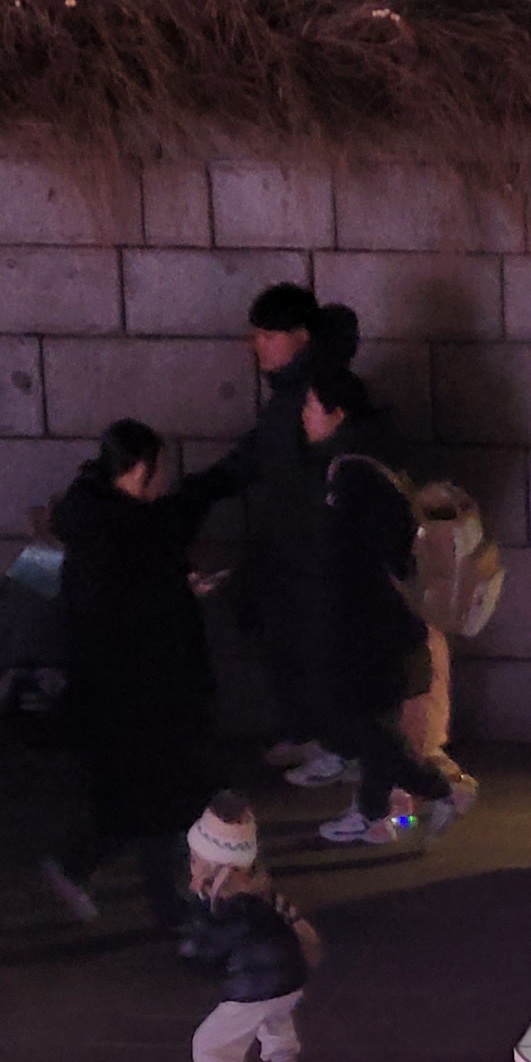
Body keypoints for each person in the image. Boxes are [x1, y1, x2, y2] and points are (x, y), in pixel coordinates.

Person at [45, 418, 237, 928]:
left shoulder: (99, 521)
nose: (165, 480)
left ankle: (92, 871)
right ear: (137, 470)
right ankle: (171, 907)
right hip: (141, 692)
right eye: (160, 469)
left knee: (146, 804)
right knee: (161, 804)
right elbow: (131, 609)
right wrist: (178, 593)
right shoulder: (122, 531)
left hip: (127, 692)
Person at [300, 364, 467, 852]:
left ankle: (441, 789)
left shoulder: (354, 472)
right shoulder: (377, 460)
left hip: (371, 622)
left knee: (367, 723)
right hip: (392, 620)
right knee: (379, 721)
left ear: (337, 414)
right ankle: (374, 814)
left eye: (310, 406)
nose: (304, 416)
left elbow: (366, 553)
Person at [219, 286, 366, 786]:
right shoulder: (289, 395)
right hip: (292, 546)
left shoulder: (323, 391)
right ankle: (317, 734)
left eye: (268, 334)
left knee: (323, 648)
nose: (256, 345)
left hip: (321, 549)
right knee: (288, 642)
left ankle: (348, 754)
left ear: (300, 337)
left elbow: (347, 466)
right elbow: (256, 458)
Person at [177, 795, 318, 1062]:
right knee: (274, 1017)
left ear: (214, 867)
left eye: (195, 859)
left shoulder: (227, 905)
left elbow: (207, 950)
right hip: (289, 976)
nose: (191, 866)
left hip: (257, 984)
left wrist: (195, 935)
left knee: (210, 1046)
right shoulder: (258, 892)